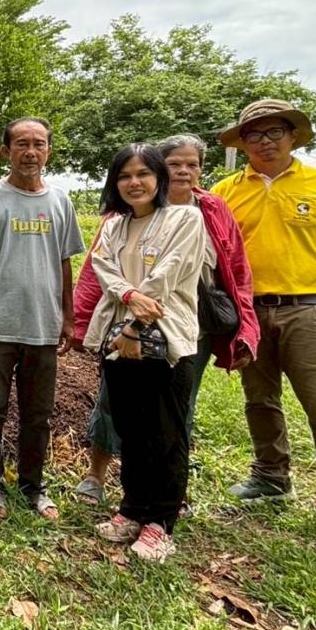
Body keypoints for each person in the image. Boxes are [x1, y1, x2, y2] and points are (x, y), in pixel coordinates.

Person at [212, 99, 316, 543]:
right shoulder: (227, 192)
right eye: (254, 134)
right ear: (242, 143)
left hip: (309, 308)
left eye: (274, 132)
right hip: (249, 310)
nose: (264, 141)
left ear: (293, 135)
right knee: (259, 398)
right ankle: (270, 475)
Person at [72, 133, 259, 505]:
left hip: (182, 323)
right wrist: (89, 319)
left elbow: (233, 270)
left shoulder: (202, 213)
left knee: (174, 412)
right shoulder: (117, 222)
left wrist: (246, 328)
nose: (184, 172)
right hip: (122, 326)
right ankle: (111, 483)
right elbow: (98, 268)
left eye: (192, 165)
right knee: (117, 406)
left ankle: (166, 500)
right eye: (175, 164)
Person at [0, 118, 83, 521]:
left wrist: (68, 315)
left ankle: (33, 485)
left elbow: (65, 263)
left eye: (39, 144)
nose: (31, 152)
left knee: (38, 413)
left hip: (43, 326)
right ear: (5, 150)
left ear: (48, 150)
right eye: (22, 144)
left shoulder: (60, 202)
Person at [83, 143, 205, 562]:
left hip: (166, 341)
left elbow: (168, 275)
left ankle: (161, 522)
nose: (134, 183)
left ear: (159, 178)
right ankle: (132, 509)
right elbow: (102, 267)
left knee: (167, 432)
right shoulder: (115, 226)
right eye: (124, 176)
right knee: (131, 428)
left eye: (143, 174)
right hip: (117, 343)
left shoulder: (184, 219)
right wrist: (129, 294)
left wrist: (136, 322)